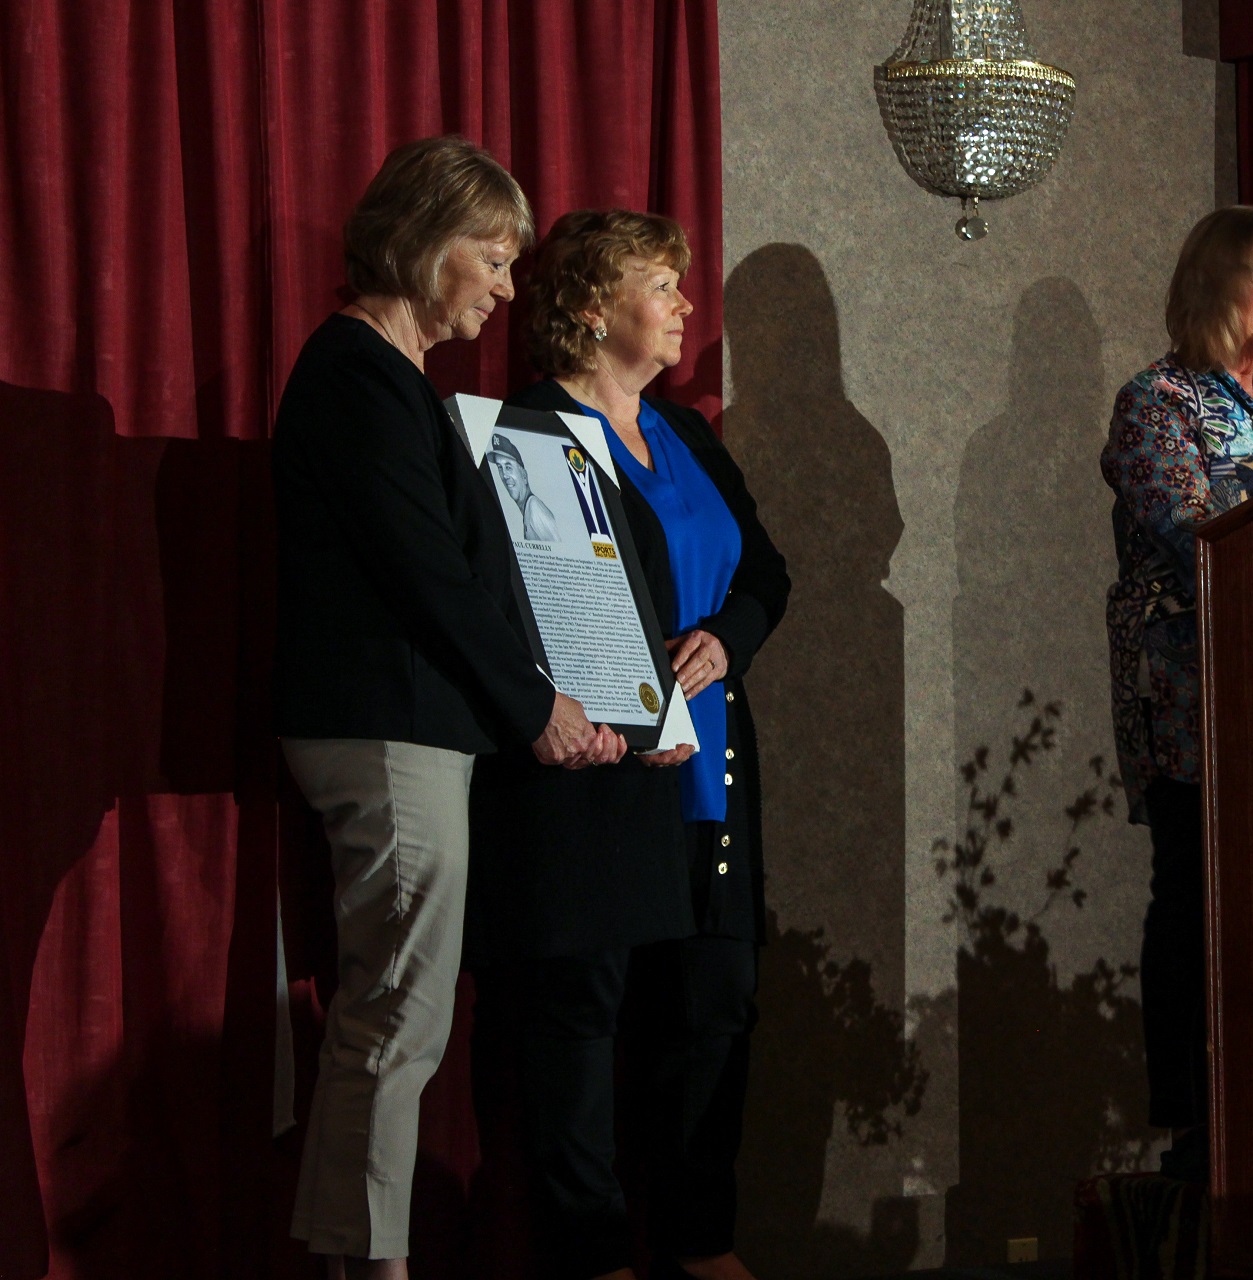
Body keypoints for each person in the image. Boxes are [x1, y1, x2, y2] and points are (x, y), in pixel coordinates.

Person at [272, 135, 628, 1280]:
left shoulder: (394, 381)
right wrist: (537, 706)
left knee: (390, 1007)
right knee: (400, 1015)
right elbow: (430, 574)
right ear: (428, 244)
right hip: (386, 724)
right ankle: (375, 1264)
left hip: (411, 722)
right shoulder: (356, 375)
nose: (508, 287)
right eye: (494, 255)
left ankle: (350, 1254)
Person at [468, 207, 788, 1280]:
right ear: (594, 306)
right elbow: (536, 605)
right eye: (665, 283)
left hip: (709, 764)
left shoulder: (689, 430)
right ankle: (594, 1253)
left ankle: (702, 1240)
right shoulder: (531, 429)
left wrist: (724, 639)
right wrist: (632, 701)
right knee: (585, 1017)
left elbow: (764, 576)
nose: (687, 305)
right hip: (599, 772)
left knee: (714, 1008)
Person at [1100, 206, 1253, 1183]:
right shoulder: (1157, 400)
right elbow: (1193, 530)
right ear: (1213, 285)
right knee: (1200, 896)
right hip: (1195, 695)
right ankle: (1198, 1123)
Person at [487, 432, 563, 541]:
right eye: (500, 467)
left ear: (523, 474)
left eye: (508, 467)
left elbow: (559, 552)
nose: (504, 475)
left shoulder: (535, 509)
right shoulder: (529, 509)